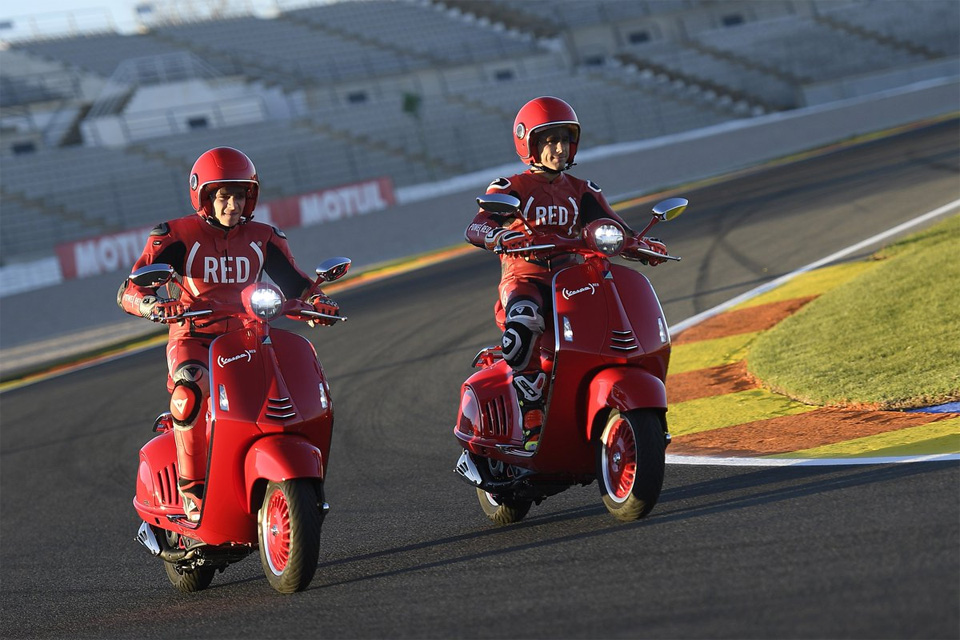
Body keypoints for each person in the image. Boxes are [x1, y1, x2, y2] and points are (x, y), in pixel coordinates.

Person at [117, 146, 340, 521]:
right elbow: (129, 290)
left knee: (299, 387)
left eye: (239, 195)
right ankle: (192, 490)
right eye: (222, 196)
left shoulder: (264, 236)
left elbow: (297, 284)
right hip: (194, 338)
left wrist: (318, 301)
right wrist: (154, 306)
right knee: (190, 388)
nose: (232, 205)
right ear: (203, 197)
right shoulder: (175, 235)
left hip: (250, 338)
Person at [464, 96, 668, 452]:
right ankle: (531, 417)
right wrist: (497, 234)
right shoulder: (509, 187)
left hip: (574, 283)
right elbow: (476, 226)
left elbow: (614, 228)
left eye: (564, 141)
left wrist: (642, 244)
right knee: (524, 323)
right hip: (526, 280)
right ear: (528, 142)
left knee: (611, 321)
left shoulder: (583, 190)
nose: (559, 149)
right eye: (550, 141)